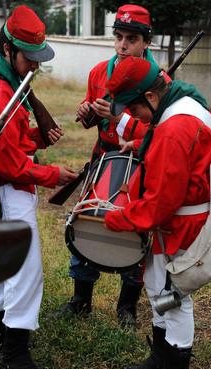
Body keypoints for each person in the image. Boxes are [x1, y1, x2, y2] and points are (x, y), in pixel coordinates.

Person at [104, 56, 211, 369]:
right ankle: (161, 358)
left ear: (151, 98)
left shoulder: (174, 129)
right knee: (159, 287)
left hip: (181, 224)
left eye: (133, 108)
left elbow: (160, 204)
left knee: (174, 299)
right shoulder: (181, 103)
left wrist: (116, 218)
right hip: (176, 221)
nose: (134, 117)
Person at [47, 4, 170, 330]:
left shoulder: (160, 81)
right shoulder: (99, 73)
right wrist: (89, 112)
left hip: (140, 162)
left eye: (132, 38)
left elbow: (160, 132)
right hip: (104, 157)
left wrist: (121, 118)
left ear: (146, 41)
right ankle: (80, 301)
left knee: (136, 231)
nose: (122, 45)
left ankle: (126, 306)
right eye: (118, 37)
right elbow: (91, 124)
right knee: (88, 219)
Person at [0, 5, 78, 369]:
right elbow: (8, 163)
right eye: (29, 58)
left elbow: (14, 142)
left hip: (3, 189)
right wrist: (54, 174)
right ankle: (15, 352)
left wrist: (40, 137)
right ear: (8, 51)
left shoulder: (8, 86)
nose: (36, 67)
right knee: (25, 272)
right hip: (7, 190)